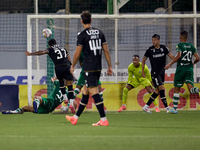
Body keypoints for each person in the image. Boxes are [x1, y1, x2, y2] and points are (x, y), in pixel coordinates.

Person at [66, 11, 112, 126]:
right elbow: (106, 50)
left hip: (88, 67)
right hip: (98, 67)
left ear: (81, 21)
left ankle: (103, 119)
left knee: (94, 92)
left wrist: (72, 66)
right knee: (85, 91)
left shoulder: (82, 35)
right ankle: (75, 118)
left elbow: (77, 54)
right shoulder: (100, 33)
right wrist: (110, 66)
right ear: (91, 20)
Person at [25, 39, 76, 113]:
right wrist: (71, 65)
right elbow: (68, 57)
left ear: (49, 45)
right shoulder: (63, 48)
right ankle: (71, 103)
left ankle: (65, 98)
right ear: (56, 43)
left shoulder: (50, 49)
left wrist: (31, 53)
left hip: (58, 67)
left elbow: (42, 52)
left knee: (61, 82)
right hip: (66, 66)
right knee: (70, 85)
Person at [165, 30, 200, 114]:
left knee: (177, 88)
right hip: (189, 69)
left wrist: (170, 64)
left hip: (181, 69)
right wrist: (192, 63)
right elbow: (198, 58)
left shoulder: (179, 45)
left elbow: (179, 55)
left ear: (180, 37)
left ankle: (174, 109)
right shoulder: (192, 47)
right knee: (191, 89)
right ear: (187, 37)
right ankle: (198, 89)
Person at [1, 77, 76, 114]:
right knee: (25, 108)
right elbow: (74, 103)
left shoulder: (59, 84)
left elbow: (52, 79)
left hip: (50, 101)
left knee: (37, 98)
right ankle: (12, 112)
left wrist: (58, 77)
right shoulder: (69, 93)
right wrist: (70, 109)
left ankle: (36, 104)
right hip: (50, 109)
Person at [142, 34, 174, 113]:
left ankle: (146, 106)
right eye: (152, 40)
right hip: (155, 73)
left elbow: (172, 57)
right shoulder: (149, 50)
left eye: (155, 40)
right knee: (161, 88)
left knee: (157, 91)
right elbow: (143, 61)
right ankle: (167, 108)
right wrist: (143, 71)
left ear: (159, 40)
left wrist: (173, 62)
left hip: (162, 72)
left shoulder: (164, 48)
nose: (153, 41)